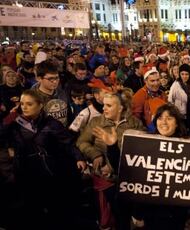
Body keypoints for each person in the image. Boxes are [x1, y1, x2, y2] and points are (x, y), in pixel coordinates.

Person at [3, 89, 86, 229]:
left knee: (49, 209)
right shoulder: (15, 122)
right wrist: (8, 118)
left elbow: (68, 143)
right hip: (23, 170)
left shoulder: (51, 123)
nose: (24, 107)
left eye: (29, 104)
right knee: (29, 209)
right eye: (22, 104)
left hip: (45, 172)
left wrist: (78, 157)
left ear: (40, 105)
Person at [76, 88, 145, 230]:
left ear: (120, 108)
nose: (104, 108)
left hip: (128, 179)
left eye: (109, 105)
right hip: (105, 179)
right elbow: (82, 142)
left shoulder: (135, 124)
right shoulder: (96, 122)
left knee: (125, 217)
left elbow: (141, 150)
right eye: (103, 105)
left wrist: (112, 166)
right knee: (110, 216)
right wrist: (96, 154)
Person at [131, 64, 167, 130]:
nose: (156, 83)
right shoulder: (139, 96)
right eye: (152, 81)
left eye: (157, 80)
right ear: (145, 81)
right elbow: (135, 119)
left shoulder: (162, 94)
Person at [168, 64, 190, 136]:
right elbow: (170, 101)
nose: (184, 76)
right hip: (180, 117)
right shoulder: (175, 85)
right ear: (179, 74)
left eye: (186, 74)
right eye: (182, 74)